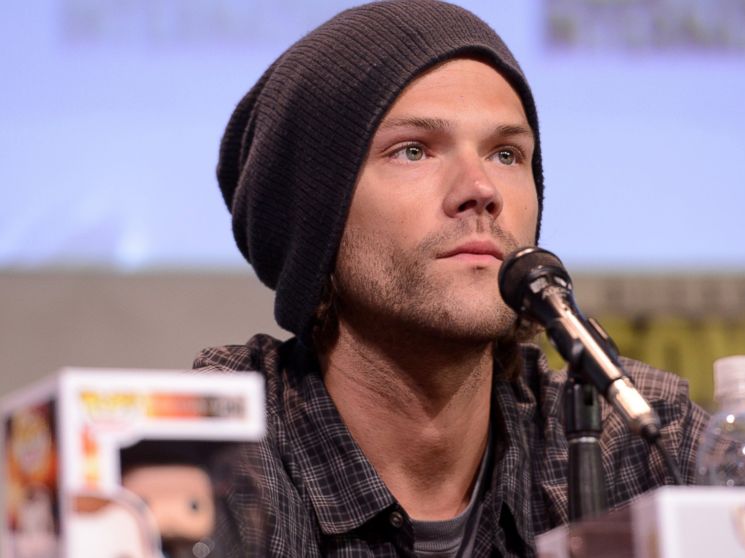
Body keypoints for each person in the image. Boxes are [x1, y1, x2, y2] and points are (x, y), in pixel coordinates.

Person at [195, 1, 708, 556]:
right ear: (315, 220)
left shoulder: (640, 443)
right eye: (413, 150)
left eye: (507, 154)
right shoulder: (215, 452)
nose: (481, 189)